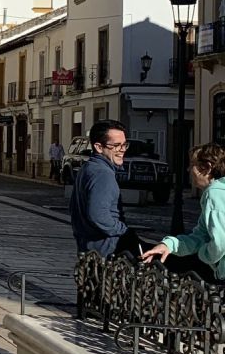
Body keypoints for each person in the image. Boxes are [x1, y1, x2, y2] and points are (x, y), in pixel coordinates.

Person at [141, 144, 225, 282]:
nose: (188, 169)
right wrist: (169, 245)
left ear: (207, 167)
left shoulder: (215, 193)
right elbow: (200, 236)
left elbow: (220, 242)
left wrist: (204, 255)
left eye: (192, 164)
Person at [70, 118, 141, 259]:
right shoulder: (103, 174)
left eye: (124, 145)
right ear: (99, 147)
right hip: (108, 250)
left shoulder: (88, 168)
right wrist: (123, 231)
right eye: (116, 145)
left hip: (89, 249)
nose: (122, 150)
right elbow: (98, 215)